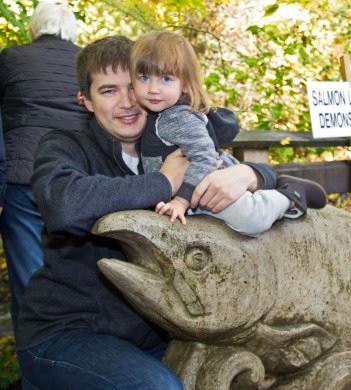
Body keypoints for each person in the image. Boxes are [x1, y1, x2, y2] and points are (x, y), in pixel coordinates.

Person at [14, 35, 287, 389]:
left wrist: (252, 174)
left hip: (154, 331)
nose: (128, 102)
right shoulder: (65, 147)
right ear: (85, 100)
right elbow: (64, 206)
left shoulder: (169, 141)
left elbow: (282, 186)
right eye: (109, 91)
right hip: (68, 330)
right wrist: (163, 184)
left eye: (135, 85)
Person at [130, 31, 327, 235]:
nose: (153, 88)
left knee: (251, 219)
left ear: (186, 85)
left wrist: (181, 200)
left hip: (210, 187)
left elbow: (204, 157)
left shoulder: (177, 118)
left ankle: (291, 195)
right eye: (144, 78)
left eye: (166, 79)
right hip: (195, 196)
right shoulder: (154, 116)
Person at [0, 1, 89, 322]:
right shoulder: (88, 63)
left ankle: (36, 362)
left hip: (22, 180)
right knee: (75, 278)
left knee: (29, 282)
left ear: (34, 28)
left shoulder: (10, 58)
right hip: (74, 181)